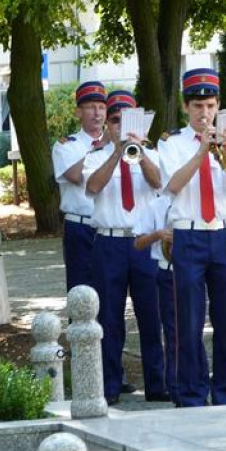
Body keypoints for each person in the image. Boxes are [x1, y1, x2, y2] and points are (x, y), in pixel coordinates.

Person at [157, 68, 226, 406]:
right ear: (186, 107)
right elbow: (173, 185)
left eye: (210, 106)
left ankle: (225, 393)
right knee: (189, 323)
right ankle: (192, 393)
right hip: (189, 237)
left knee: (225, 323)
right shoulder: (172, 143)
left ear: (218, 106)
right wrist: (200, 153)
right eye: (197, 106)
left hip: (223, 236)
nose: (204, 113)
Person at [84, 89, 167, 404]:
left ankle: (157, 383)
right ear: (108, 123)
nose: (120, 126)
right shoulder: (95, 156)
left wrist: (139, 151)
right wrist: (116, 152)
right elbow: (92, 186)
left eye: (126, 120)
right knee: (109, 317)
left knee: (151, 314)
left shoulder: (152, 154)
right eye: (115, 120)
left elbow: (158, 182)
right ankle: (110, 385)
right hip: (109, 242)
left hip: (144, 243)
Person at [52, 81, 107, 292]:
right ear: (78, 112)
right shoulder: (67, 145)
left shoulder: (118, 146)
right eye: (91, 107)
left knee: (109, 293)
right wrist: (101, 148)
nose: (97, 113)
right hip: (80, 227)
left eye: (102, 107)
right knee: (80, 292)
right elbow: (75, 175)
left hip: (108, 228)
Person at [133, 192, 177, 403]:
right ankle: (174, 385)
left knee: (192, 330)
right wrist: (159, 235)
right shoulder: (157, 205)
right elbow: (138, 243)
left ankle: (194, 382)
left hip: (193, 271)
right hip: (167, 271)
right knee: (172, 331)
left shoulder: (195, 202)